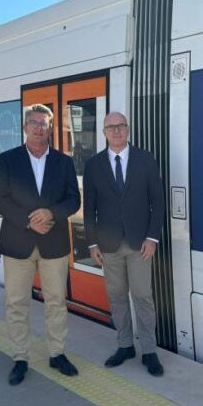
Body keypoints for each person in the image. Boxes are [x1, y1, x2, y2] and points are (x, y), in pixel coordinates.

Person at [0, 104, 81, 384]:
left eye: (44, 124)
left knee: (56, 302)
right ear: (25, 127)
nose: (39, 128)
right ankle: (20, 357)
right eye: (34, 123)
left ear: (50, 128)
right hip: (17, 242)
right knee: (16, 302)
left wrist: (51, 213)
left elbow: (73, 200)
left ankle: (57, 353)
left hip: (54, 243)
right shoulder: (8, 159)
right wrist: (29, 221)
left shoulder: (64, 162)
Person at [83, 112, 166, 376]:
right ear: (104, 132)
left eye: (120, 126)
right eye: (111, 127)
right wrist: (92, 244)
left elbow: (158, 202)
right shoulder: (94, 165)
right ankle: (125, 345)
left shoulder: (145, 159)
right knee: (117, 296)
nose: (116, 131)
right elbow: (89, 209)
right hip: (108, 245)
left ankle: (149, 350)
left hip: (140, 243)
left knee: (142, 295)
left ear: (127, 130)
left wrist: (152, 238)